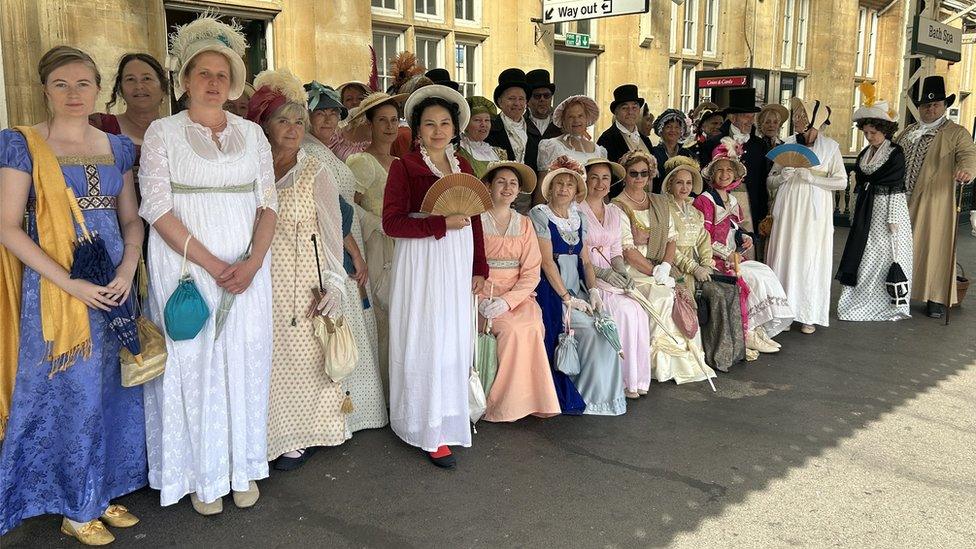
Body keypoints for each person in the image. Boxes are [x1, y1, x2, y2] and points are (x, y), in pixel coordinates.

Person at [0, 45, 146, 545]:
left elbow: (131, 219)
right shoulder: (22, 144)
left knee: (110, 387)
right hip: (56, 287)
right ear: (44, 90)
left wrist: (127, 268)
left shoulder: (117, 147)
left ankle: (99, 491)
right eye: (61, 84)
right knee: (69, 392)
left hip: (112, 283)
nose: (72, 93)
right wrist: (69, 284)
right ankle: (73, 504)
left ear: (98, 89)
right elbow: (8, 228)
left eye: (83, 83)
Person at [138, 15, 278, 515]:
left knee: (243, 359)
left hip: (248, 271)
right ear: (186, 80)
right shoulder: (162, 132)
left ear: (233, 81)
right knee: (193, 364)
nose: (214, 82)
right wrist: (216, 264)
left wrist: (252, 262)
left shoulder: (254, 135)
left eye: (222, 74)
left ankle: (241, 466)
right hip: (188, 266)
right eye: (204, 73)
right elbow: (156, 208)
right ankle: (201, 474)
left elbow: (269, 206)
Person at [246, 68, 350, 471]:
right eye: (282, 120)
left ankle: (299, 433)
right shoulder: (251, 169)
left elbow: (331, 233)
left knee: (300, 357)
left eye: (298, 121)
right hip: (257, 275)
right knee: (262, 355)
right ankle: (261, 432)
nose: (292, 128)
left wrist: (335, 286)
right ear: (264, 124)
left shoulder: (315, 171)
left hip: (302, 275)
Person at [382, 84, 489, 468]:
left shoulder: (464, 166)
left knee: (452, 338)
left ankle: (448, 417)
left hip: (458, 261)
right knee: (426, 336)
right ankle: (423, 426)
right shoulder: (404, 167)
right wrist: (439, 224)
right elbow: (391, 224)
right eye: (429, 124)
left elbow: (475, 219)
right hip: (423, 262)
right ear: (416, 128)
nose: (438, 130)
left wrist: (480, 267)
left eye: (445, 122)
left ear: (456, 127)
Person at [303, 82, 388, 435]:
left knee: (353, 316)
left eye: (332, 113)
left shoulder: (326, 151)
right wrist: (352, 248)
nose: (326, 118)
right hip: (336, 242)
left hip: (346, 236)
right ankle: (340, 412)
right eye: (319, 112)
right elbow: (332, 210)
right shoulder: (309, 153)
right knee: (341, 321)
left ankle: (353, 408)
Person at [531, 157, 625, 415]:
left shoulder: (578, 217)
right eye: (558, 184)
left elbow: (585, 260)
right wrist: (567, 298)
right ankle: (584, 393)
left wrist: (593, 290)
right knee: (592, 332)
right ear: (549, 189)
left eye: (569, 185)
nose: (563, 189)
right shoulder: (539, 214)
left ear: (576, 192)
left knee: (607, 326)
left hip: (579, 288)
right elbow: (548, 263)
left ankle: (604, 398)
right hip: (553, 290)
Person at [613, 152, 715, 385]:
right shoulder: (618, 206)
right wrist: (653, 272)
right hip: (634, 270)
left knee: (679, 293)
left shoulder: (659, 202)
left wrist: (666, 267)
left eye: (644, 173)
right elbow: (627, 249)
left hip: (661, 266)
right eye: (634, 173)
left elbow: (671, 239)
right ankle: (657, 364)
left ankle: (686, 360)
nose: (639, 178)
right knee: (662, 296)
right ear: (625, 176)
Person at [477, 162, 561, 421]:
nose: (507, 187)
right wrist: (479, 298)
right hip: (482, 293)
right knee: (511, 331)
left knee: (532, 325)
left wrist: (508, 300)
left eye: (513, 183)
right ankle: (501, 404)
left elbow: (532, 271)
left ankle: (531, 400)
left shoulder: (524, 224)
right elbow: (466, 264)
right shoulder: (474, 221)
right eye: (501, 182)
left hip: (517, 294)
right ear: (489, 186)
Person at [695, 138, 793, 353]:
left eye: (729, 170)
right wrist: (728, 254)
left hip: (733, 257)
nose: (724, 174)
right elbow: (702, 238)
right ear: (711, 174)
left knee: (764, 272)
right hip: (713, 260)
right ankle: (747, 330)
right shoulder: (704, 200)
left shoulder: (731, 200)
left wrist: (744, 238)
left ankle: (757, 327)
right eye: (719, 170)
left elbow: (735, 229)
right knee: (750, 279)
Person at [894, 75, 976, 318]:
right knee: (900, 250)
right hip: (901, 199)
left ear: (944, 106)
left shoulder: (956, 133)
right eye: (926, 105)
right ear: (919, 108)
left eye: (936, 104)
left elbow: (968, 155)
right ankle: (900, 292)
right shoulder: (908, 131)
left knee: (934, 248)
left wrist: (967, 171)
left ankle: (936, 298)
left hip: (934, 201)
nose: (931, 109)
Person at [767, 98, 847, 334]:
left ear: (816, 120)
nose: (798, 119)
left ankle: (807, 312)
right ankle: (783, 312)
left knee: (810, 257)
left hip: (814, 211)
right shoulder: (787, 143)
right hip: (788, 206)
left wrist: (815, 179)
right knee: (785, 252)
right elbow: (770, 180)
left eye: (803, 116)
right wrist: (781, 177)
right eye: (798, 115)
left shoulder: (831, 147)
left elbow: (841, 181)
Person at [578, 158, 653, 399]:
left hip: (612, 274)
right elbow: (579, 256)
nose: (600, 183)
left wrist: (622, 272)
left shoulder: (614, 212)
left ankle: (636, 378)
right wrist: (604, 274)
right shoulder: (576, 210)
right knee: (624, 311)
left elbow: (616, 252)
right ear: (586, 180)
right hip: (589, 276)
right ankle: (619, 379)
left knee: (639, 309)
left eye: (606, 178)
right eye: (595, 177)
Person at [837, 87, 912, 322]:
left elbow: (895, 185)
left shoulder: (895, 152)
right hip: (867, 208)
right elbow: (861, 181)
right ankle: (858, 301)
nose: (870, 137)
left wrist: (893, 218)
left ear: (885, 131)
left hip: (889, 208)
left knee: (887, 253)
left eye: (874, 132)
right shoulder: (865, 153)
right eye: (867, 132)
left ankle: (888, 304)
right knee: (865, 251)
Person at [347, 91, 406, 386]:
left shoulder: (400, 162)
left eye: (394, 120)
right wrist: (376, 222)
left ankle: (396, 387)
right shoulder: (362, 162)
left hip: (400, 244)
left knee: (399, 314)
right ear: (370, 124)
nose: (389, 126)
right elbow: (346, 203)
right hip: (374, 244)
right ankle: (378, 390)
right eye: (382, 120)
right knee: (378, 312)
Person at [699, 88, 769, 238]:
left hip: (750, 206)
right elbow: (706, 179)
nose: (750, 120)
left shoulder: (760, 145)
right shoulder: (713, 143)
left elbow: (762, 182)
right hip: (719, 204)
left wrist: (763, 212)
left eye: (752, 116)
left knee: (747, 247)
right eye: (745, 116)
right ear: (732, 117)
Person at [536, 95, 607, 204]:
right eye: (571, 117)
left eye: (580, 116)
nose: (576, 120)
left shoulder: (599, 151)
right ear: (563, 120)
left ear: (586, 118)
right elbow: (543, 184)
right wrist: (538, 213)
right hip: (563, 208)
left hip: (592, 208)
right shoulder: (552, 146)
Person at [660, 156, 715, 294]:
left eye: (689, 183)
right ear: (670, 184)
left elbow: (704, 240)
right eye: (679, 182)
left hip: (697, 264)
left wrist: (706, 265)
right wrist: (694, 268)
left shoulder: (695, 212)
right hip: (674, 266)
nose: (685, 187)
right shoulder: (663, 209)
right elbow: (666, 245)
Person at [486, 68, 534, 212]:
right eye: (511, 99)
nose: (517, 103)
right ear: (500, 102)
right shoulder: (490, 129)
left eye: (521, 99)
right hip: (498, 197)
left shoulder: (534, 132)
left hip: (526, 199)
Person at [598, 84, 654, 166]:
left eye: (634, 107)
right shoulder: (606, 139)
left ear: (639, 110)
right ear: (616, 112)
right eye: (625, 108)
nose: (630, 112)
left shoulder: (646, 140)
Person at [458, 96, 508, 178]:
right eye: (477, 120)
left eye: (487, 120)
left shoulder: (498, 153)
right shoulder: (458, 150)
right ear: (466, 124)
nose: (483, 124)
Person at [650, 109, 694, 193]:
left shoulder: (688, 154)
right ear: (661, 130)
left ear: (681, 131)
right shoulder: (653, 153)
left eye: (677, 127)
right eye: (668, 127)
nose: (673, 130)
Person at [525, 69, 562, 142]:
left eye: (546, 95)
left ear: (551, 98)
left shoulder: (562, 123)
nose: (542, 99)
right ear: (528, 100)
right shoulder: (520, 123)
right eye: (537, 96)